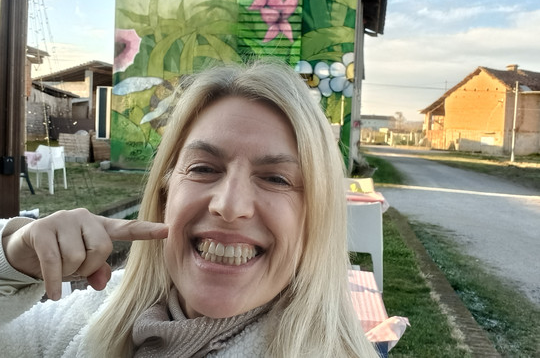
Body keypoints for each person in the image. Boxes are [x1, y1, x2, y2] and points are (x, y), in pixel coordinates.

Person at [0, 60, 380, 357]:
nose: (229, 206)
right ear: (165, 194)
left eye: (276, 179)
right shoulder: (103, 306)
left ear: (316, 217)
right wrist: (11, 263)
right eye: (203, 168)